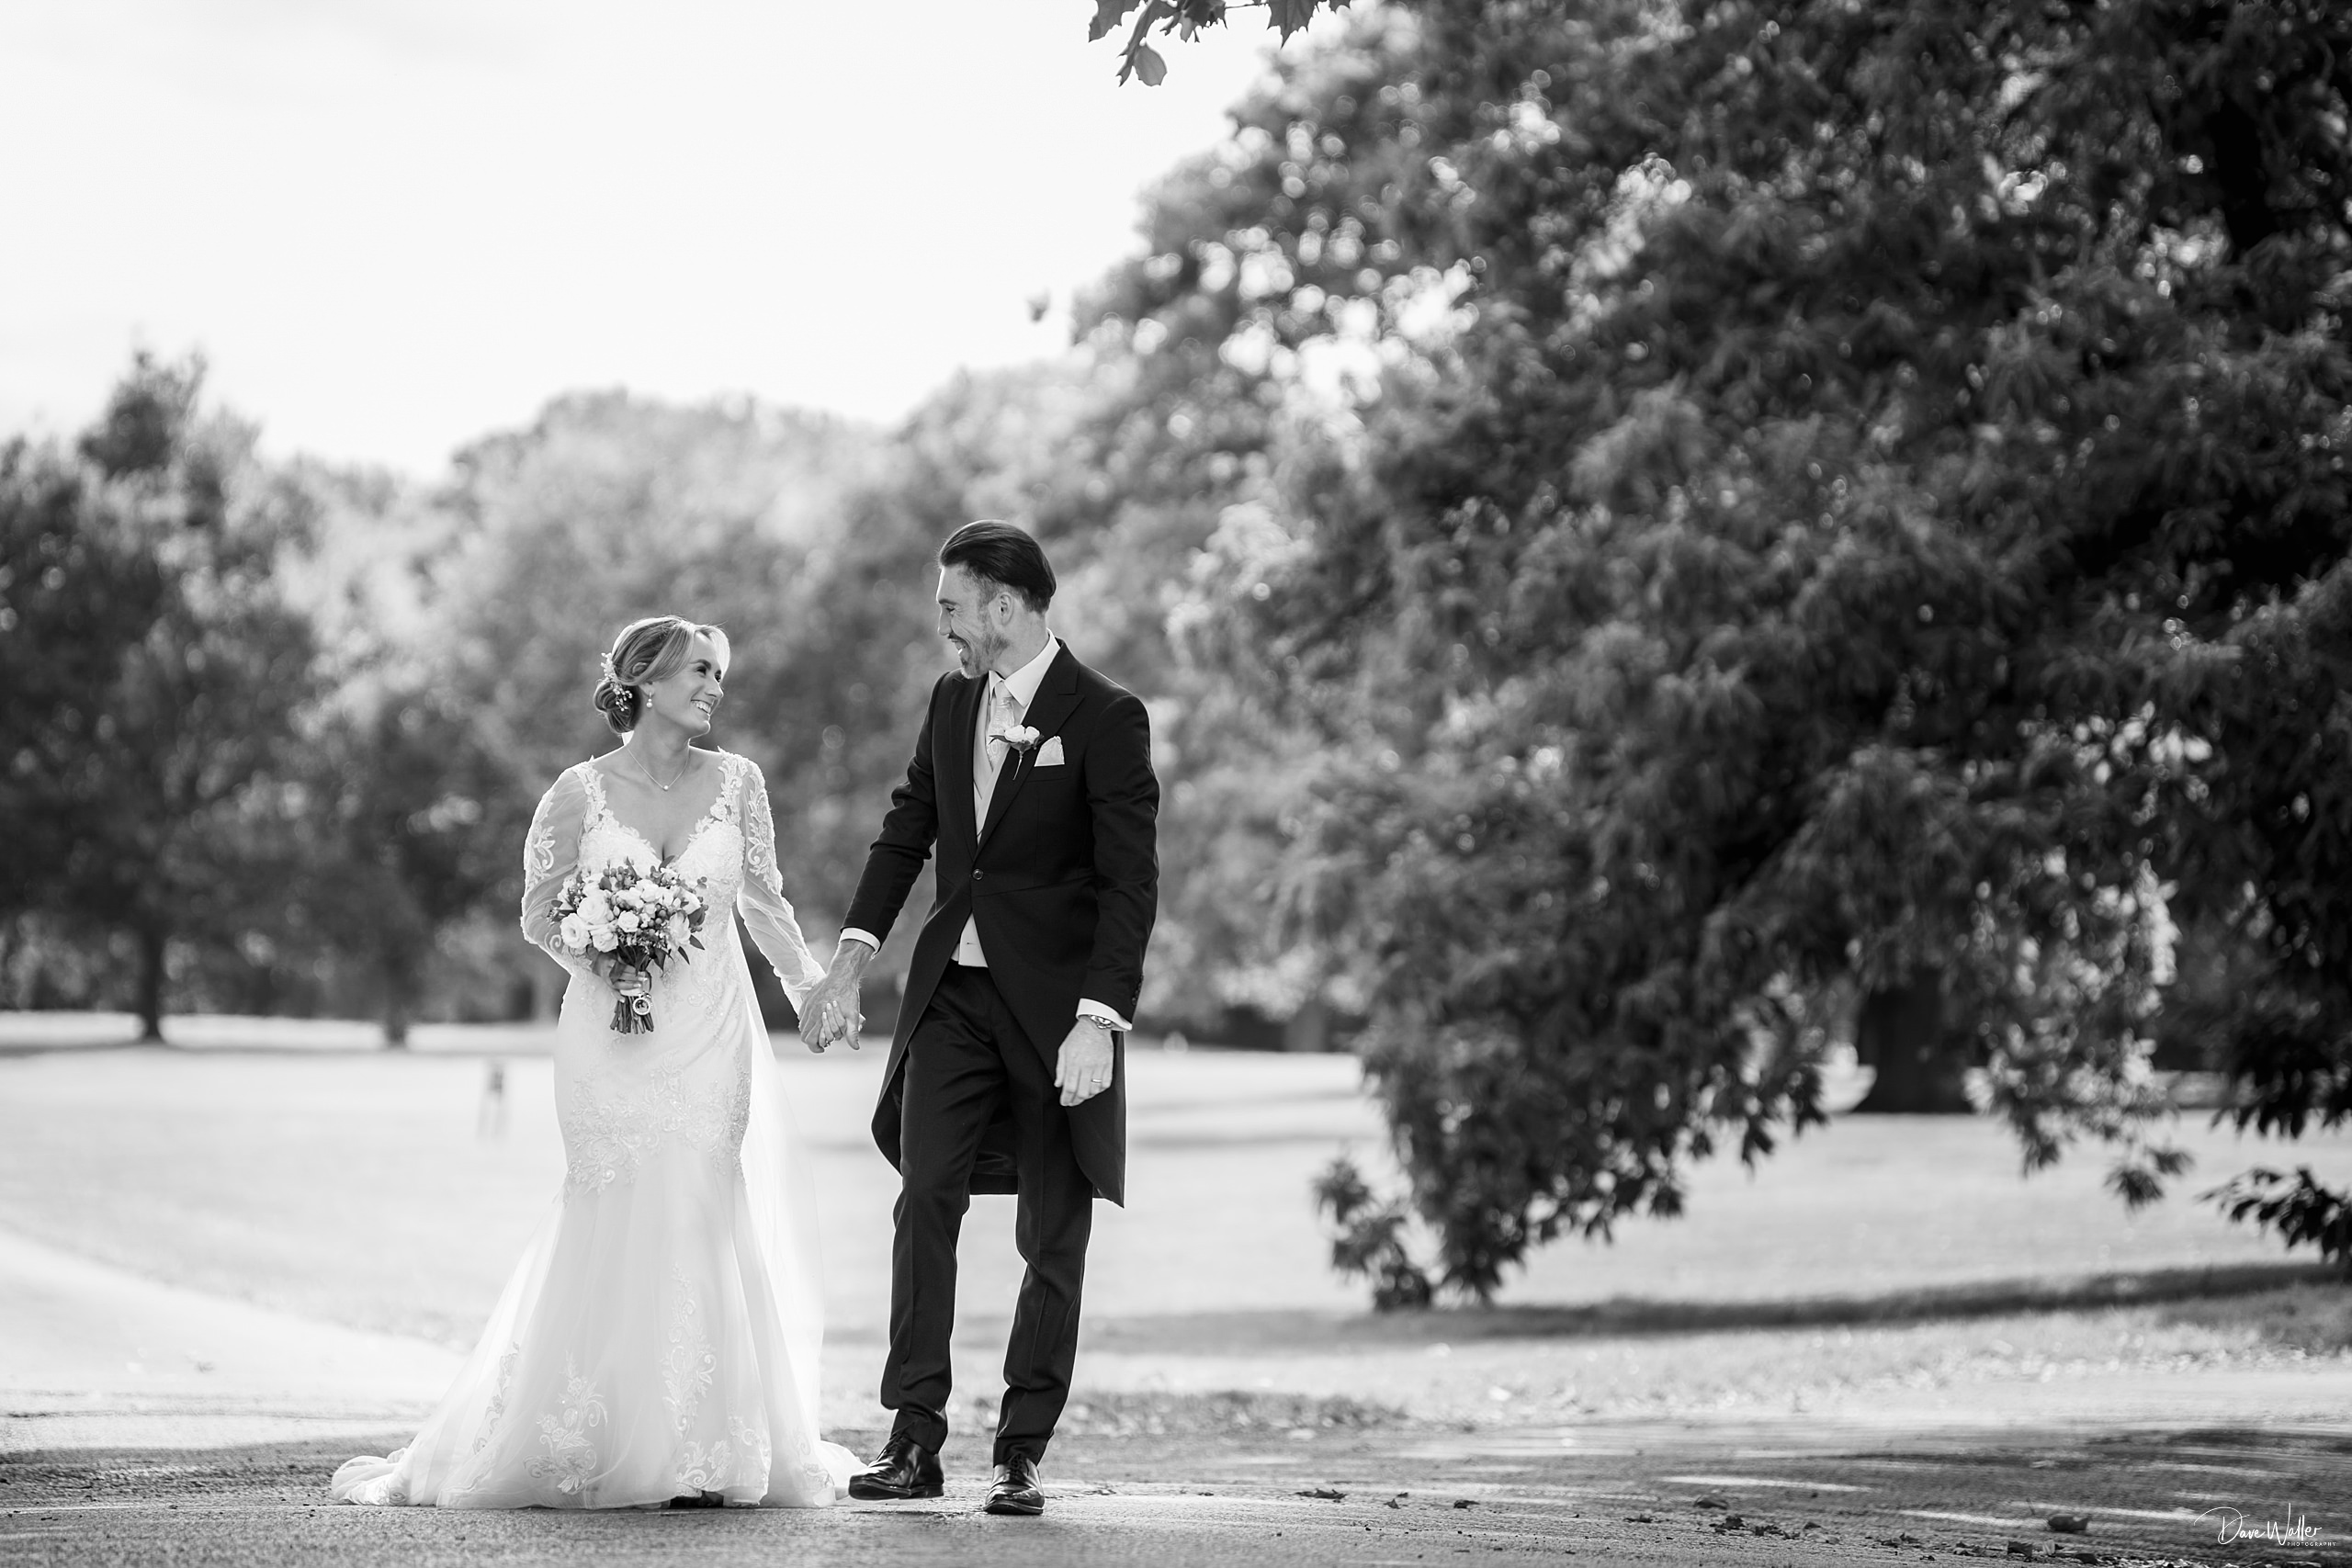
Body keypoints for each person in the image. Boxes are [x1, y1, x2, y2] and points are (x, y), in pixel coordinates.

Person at [334, 615, 856, 1509]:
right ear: (646, 680)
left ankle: (699, 1449)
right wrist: (607, 951)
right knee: (616, 1206)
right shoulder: (577, 792)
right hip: (608, 1041)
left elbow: (764, 903)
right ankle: (604, 1434)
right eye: (698, 671)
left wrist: (811, 987)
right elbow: (538, 911)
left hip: (710, 1032)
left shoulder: (740, 783)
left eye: (717, 676)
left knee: (697, 1200)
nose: (713, 689)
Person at [798, 520, 1159, 1517]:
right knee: (925, 1205)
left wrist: (1099, 1020)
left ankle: (1020, 1451)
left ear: (1004, 606)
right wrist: (852, 958)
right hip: (949, 1001)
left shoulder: (1106, 717)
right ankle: (913, 1436)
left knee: (1053, 1232)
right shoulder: (953, 702)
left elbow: (1131, 885)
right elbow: (909, 827)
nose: (945, 627)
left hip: (1055, 1016)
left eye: (953, 607)